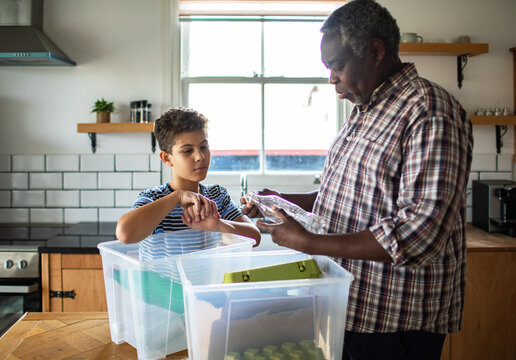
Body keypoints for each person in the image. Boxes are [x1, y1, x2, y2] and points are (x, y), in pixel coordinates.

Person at [241, 1, 473, 359]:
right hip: (350, 309)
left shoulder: (429, 110)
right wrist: (284, 200)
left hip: (395, 324)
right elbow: (347, 196)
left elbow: (421, 234)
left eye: (338, 65)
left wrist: (311, 243)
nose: (331, 78)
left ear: (375, 51)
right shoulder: (364, 111)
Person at [116, 107, 261, 258]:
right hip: (164, 282)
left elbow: (254, 238)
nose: (200, 156)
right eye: (187, 151)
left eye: (204, 147)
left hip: (207, 281)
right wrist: (177, 197)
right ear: (167, 158)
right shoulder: (154, 198)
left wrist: (217, 225)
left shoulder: (218, 196)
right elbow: (124, 234)